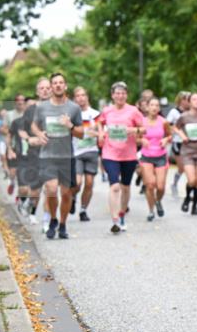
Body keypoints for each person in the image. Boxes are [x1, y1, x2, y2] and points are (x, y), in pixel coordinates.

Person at [31, 72, 84, 240]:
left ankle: (62, 224)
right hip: (47, 156)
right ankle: (53, 219)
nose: (58, 85)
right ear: (52, 87)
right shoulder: (42, 107)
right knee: (51, 190)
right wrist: (39, 134)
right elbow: (34, 125)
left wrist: (70, 126)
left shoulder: (73, 108)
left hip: (66, 156)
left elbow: (81, 134)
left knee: (66, 193)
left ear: (65, 86)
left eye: (61, 83)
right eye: (55, 83)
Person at [97, 81, 145, 234]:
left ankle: (122, 214)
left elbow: (144, 129)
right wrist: (100, 133)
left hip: (129, 154)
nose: (120, 96)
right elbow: (99, 122)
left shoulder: (133, 111)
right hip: (110, 153)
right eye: (117, 93)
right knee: (114, 186)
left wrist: (134, 130)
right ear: (112, 95)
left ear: (126, 95)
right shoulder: (107, 111)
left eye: (123, 93)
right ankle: (115, 220)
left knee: (125, 187)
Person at [16, 79, 53, 225]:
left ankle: (47, 219)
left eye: (47, 88)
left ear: (51, 90)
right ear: (37, 92)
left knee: (50, 187)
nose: (45, 90)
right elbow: (21, 130)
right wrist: (29, 139)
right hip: (34, 154)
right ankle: (31, 210)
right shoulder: (30, 110)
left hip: (52, 153)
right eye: (41, 88)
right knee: (35, 190)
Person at [138, 96, 172, 221]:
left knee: (161, 186)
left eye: (157, 105)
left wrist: (165, 139)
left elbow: (170, 136)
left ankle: (158, 201)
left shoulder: (163, 122)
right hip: (146, 156)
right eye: (152, 105)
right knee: (150, 185)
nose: (154, 108)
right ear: (147, 107)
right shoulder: (142, 122)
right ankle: (151, 210)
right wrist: (142, 139)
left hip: (160, 156)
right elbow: (135, 139)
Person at [71, 87, 100, 221]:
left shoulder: (95, 114)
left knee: (89, 183)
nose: (81, 98)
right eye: (78, 96)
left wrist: (97, 133)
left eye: (83, 95)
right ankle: (72, 197)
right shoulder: (71, 114)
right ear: (74, 98)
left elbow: (102, 132)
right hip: (76, 152)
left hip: (92, 151)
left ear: (87, 97)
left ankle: (83, 210)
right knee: (77, 183)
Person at [167, 91, 189, 197]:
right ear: (180, 100)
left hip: (189, 142)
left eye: (189, 99)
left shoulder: (191, 112)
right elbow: (168, 125)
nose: (187, 101)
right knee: (182, 167)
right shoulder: (174, 112)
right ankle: (174, 184)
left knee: (190, 167)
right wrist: (172, 132)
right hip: (178, 141)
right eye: (185, 99)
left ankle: (191, 188)